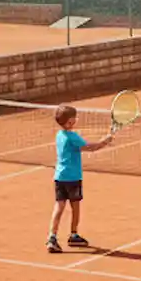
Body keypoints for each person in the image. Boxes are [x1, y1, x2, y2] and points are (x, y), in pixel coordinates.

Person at [47, 104, 112, 254]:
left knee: (59, 207)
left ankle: (52, 236)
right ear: (69, 122)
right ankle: (73, 234)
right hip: (73, 178)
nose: (76, 119)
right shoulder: (73, 137)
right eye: (74, 118)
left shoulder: (59, 135)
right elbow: (91, 148)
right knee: (75, 207)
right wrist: (105, 141)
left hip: (59, 177)